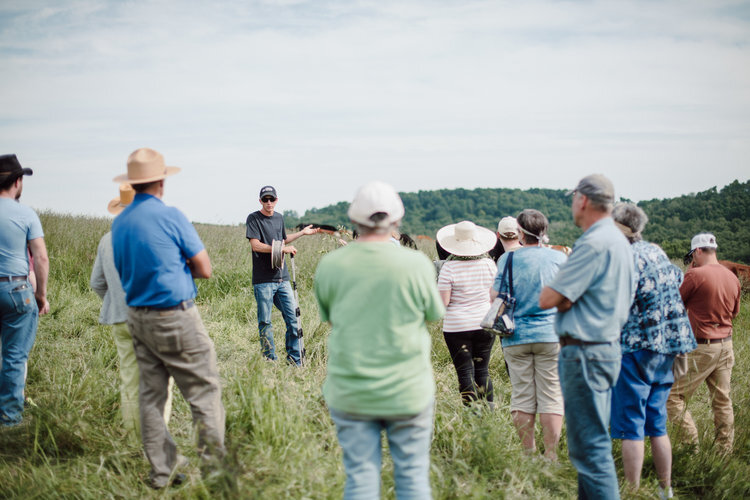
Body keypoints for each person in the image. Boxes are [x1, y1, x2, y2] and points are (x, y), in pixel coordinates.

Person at [314, 181, 444, 499]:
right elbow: (433, 314)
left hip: (352, 390)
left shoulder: (331, 265)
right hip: (408, 390)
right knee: (413, 477)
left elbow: (330, 317)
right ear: (396, 221)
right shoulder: (416, 264)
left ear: (355, 221)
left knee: (360, 478)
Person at [112, 148, 225, 489]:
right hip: (174, 315)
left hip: (137, 316)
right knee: (204, 391)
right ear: (161, 181)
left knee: (151, 395)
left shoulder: (120, 223)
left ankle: (162, 471)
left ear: (133, 183)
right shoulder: (171, 215)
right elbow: (204, 268)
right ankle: (214, 472)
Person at [539, 174, 635, 499]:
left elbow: (549, 298)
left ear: (582, 200)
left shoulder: (593, 243)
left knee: (590, 450)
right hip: (606, 347)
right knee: (591, 445)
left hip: (584, 352)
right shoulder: (619, 241)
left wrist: (567, 296)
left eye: (572, 199)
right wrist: (570, 295)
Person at [610, 203, 696, 499]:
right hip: (669, 346)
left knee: (631, 424)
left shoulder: (622, 259)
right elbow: (678, 278)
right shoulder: (656, 251)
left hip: (636, 346)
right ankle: (665, 489)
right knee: (657, 424)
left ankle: (632, 491)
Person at [90, 183, 174, 443]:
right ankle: (156, 440)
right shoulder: (149, 234)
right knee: (161, 381)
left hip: (119, 319)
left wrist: (116, 301)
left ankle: (132, 437)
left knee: (130, 379)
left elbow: (97, 283)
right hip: (150, 317)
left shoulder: (106, 239)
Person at [492, 209, 566, 460]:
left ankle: (528, 454)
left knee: (522, 396)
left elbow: (495, 297)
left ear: (521, 232)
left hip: (515, 335)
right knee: (551, 396)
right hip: (551, 335)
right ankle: (552, 455)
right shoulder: (558, 259)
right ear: (544, 232)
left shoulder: (507, 260)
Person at [666, 233, 741, 454]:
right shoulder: (732, 278)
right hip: (726, 345)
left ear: (697, 251)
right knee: (722, 400)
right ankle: (723, 450)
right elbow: (735, 313)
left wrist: (690, 270)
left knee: (673, 396)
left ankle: (690, 446)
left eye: (692, 257)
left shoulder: (695, 275)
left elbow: (675, 304)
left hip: (701, 346)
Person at [0, 154, 50, 427]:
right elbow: (40, 258)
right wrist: (40, 294)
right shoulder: (26, 214)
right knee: (14, 357)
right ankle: (8, 421)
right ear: (17, 181)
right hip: (16, 288)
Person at [245, 186, 318, 365]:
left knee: (293, 319)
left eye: (272, 199)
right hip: (263, 280)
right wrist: (280, 249)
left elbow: (283, 240)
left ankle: (294, 360)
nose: (269, 203)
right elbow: (256, 245)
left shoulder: (279, 218)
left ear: (277, 200)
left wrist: (302, 233)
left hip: (282, 278)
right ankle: (269, 360)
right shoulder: (254, 218)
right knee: (265, 321)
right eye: (265, 200)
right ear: (260, 201)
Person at [436, 221, 497, 407]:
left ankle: (472, 413)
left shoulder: (448, 268)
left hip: (456, 327)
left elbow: (443, 303)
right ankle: (488, 412)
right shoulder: (489, 265)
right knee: (483, 370)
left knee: (464, 372)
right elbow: (494, 297)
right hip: (484, 323)